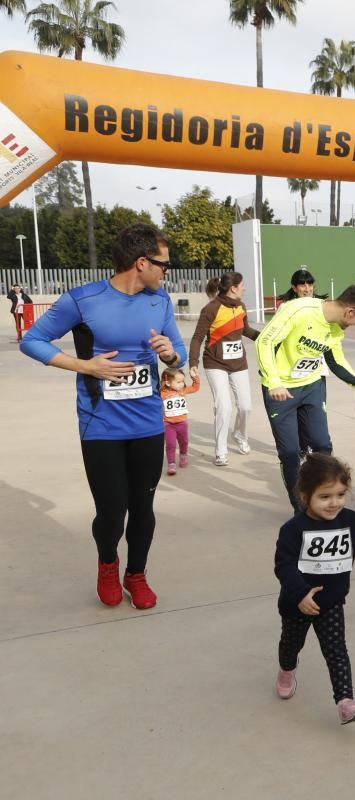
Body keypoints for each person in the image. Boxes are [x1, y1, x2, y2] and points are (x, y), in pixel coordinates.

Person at [19, 223, 186, 610]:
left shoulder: (159, 300)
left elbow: (177, 352)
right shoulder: (83, 300)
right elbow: (32, 341)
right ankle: (108, 564)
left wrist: (170, 354)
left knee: (143, 508)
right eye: (164, 264)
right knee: (111, 512)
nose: (167, 271)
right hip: (101, 425)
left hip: (147, 422)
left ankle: (136, 573)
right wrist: (85, 366)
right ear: (141, 262)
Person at [273, 453, 355, 725]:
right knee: (290, 645)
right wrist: (300, 594)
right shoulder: (293, 530)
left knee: (336, 651)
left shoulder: (350, 521)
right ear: (305, 496)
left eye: (341, 494)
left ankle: (345, 701)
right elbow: (284, 566)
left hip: (331, 603)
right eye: (325, 496)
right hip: (297, 603)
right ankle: (287, 669)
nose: (334, 503)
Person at [256, 286, 355, 511]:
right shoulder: (299, 310)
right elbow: (264, 342)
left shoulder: (335, 329)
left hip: (311, 387)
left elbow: (336, 361)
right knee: (290, 453)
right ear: (350, 312)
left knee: (323, 446)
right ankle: (301, 509)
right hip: (280, 389)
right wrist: (273, 381)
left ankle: (321, 498)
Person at [188, 271, 260, 466]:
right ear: (233, 288)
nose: (244, 288)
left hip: (238, 363)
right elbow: (197, 338)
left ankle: (240, 435)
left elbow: (245, 330)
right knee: (224, 406)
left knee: (245, 407)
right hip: (215, 363)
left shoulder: (241, 306)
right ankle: (221, 451)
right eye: (242, 285)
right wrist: (193, 363)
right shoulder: (211, 309)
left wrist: (264, 337)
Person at [160, 366, 201, 476]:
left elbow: (195, 387)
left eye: (183, 381)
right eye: (178, 382)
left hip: (182, 423)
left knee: (184, 441)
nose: (182, 384)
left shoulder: (183, 390)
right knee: (170, 444)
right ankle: (171, 464)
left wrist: (195, 377)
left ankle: (183, 454)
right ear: (167, 383)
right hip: (168, 424)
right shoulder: (162, 394)